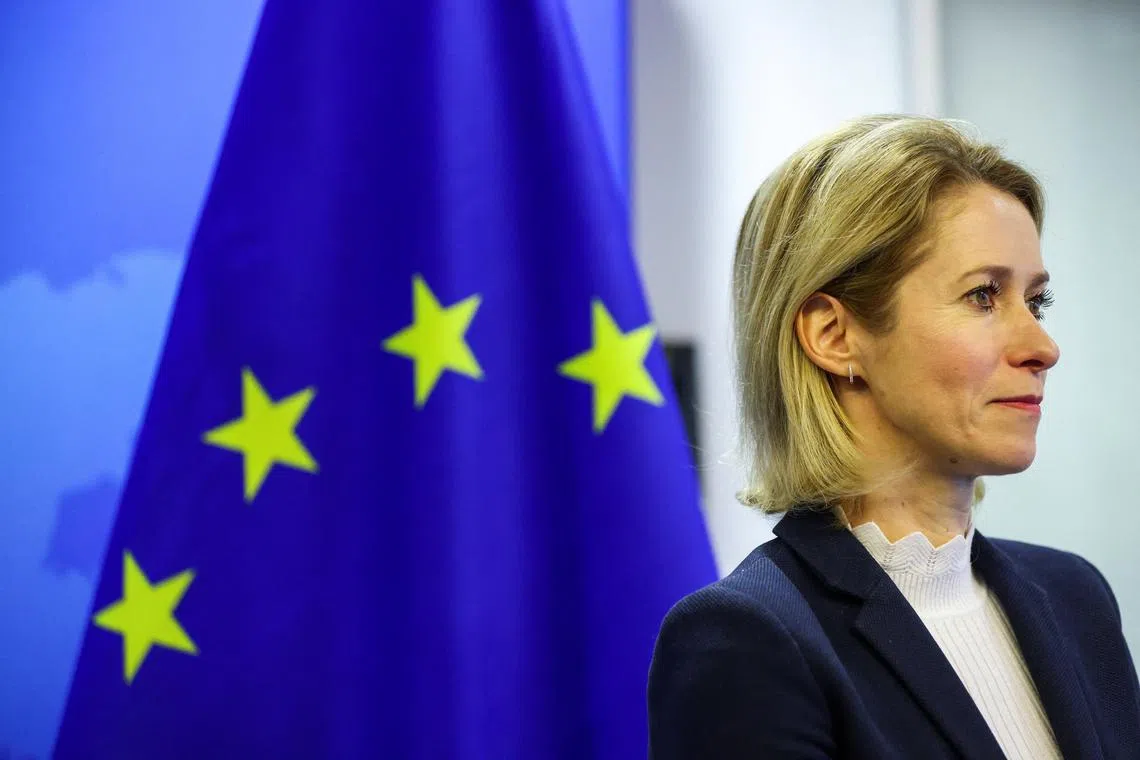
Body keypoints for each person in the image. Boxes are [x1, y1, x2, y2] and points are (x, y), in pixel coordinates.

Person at [647, 114, 1140, 759]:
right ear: (834, 336)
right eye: (984, 296)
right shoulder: (747, 637)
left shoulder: (1076, 597)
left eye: (1036, 302)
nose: (1042, 347)